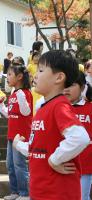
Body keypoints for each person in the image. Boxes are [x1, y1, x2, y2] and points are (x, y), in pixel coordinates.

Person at [14, 50, 90, 200]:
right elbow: (38, 149)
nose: (35, 75)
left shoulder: (59, 106)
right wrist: (18, 145)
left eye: (41, 70)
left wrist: (55, 160)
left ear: (59, 77)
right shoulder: (44, 108)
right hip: (41, 191)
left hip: (57, 193)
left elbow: (80, 137)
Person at [0, 64, 33, 200]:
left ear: (19, 77)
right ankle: (15, 192)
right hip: (12, 135)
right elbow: (10, 114)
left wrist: (21, 96)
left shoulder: (25, 93)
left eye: (10, 75)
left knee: (19, 165)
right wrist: (0, 106)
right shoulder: (13, 94)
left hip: (21, 136)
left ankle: (25, 193)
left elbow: (26, 112)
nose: (8, 78)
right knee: (10, 165)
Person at [63, 71, 92, 200]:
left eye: (71, 84)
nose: (67, 89)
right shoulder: (58, 108)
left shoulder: (90, 109)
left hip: (85, 165)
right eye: (65, 85)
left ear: (82, 87)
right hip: (61, 165)